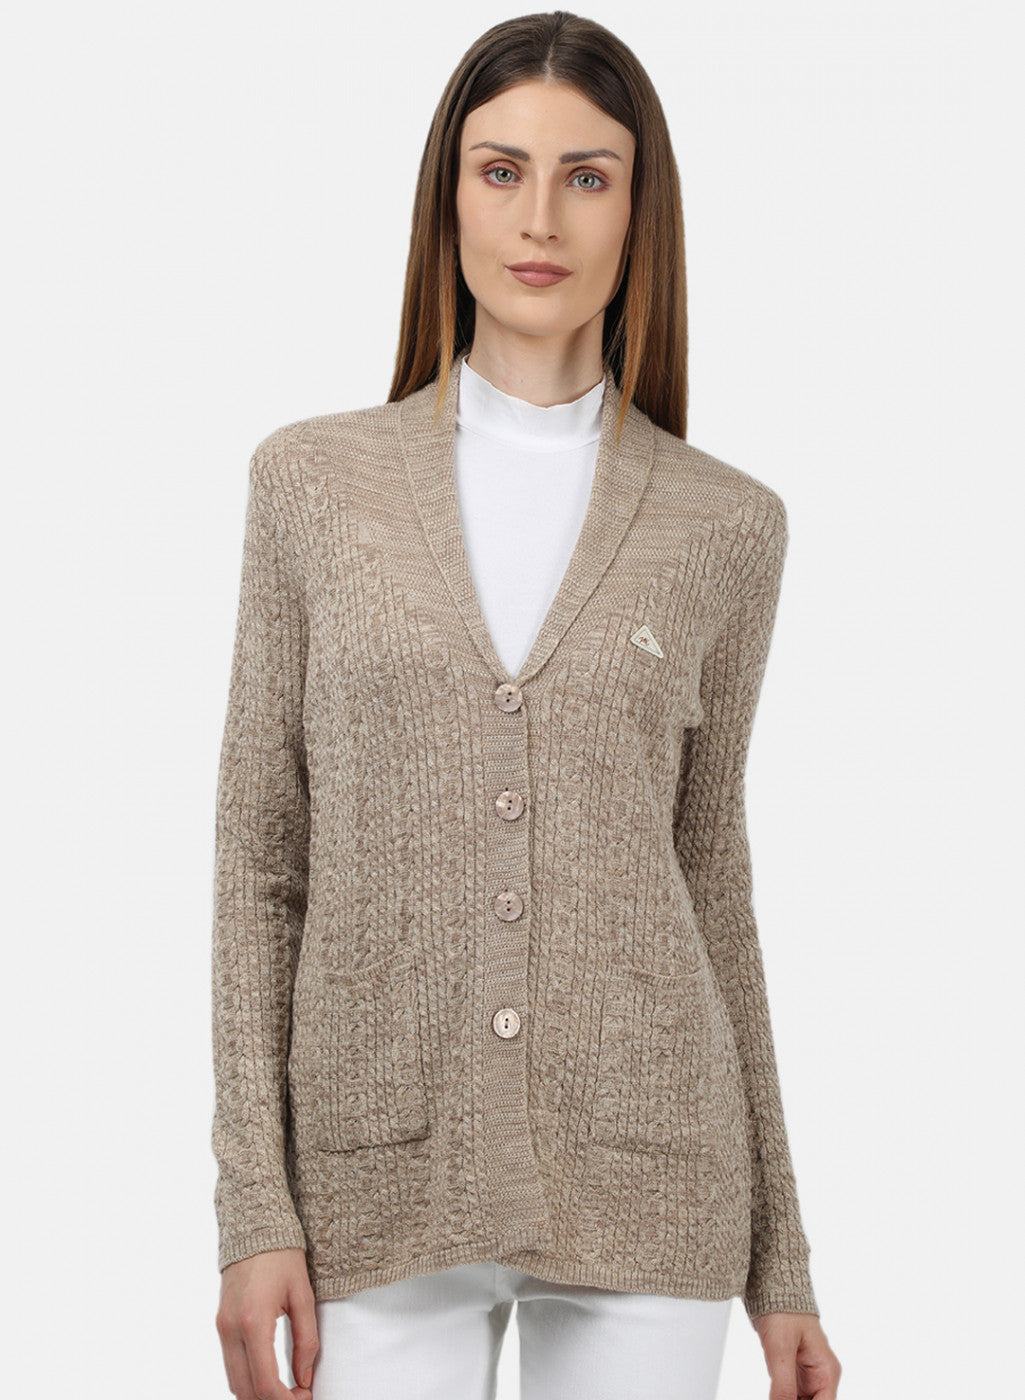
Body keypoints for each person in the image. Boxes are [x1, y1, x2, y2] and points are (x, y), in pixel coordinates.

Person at [211, 11, 842, 1400]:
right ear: (447, 200)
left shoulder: (727, 524)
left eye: (586, 176)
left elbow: (709, 877)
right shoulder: (311, 486)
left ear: (638, 211)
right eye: (500, 171)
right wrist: (255, 1209)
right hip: (373, 1180)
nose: (539, 217)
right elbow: (263, 861)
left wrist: (781, 1258)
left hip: (655, 1177)